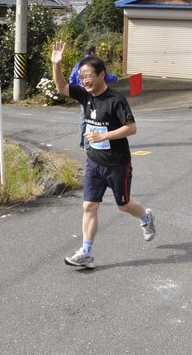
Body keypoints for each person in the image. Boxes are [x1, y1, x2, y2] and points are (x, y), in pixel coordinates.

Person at [51, 41, 156, 269]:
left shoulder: (116, 100)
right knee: (89, 206)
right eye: (81, 77)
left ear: (101, 75)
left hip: (117, 164)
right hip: (94, 162)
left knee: (124, 205)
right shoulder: (85, 95)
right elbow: (61, 87)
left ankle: (146, 218)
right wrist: (56, 65)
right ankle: (86, 252)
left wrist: (104, 136)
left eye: (88, 75)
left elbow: (131, 128)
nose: (84, 81)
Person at [69, 45, 118, 149]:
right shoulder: (95, 64)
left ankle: (83, 143)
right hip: (94, 93)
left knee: (84, 118)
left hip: (82, 94)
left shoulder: (79, 64)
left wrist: (79, 89)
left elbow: (71, 79)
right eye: (95, 52)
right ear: (92, 53)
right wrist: (116, 78)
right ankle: (89, 144)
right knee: (94, 119)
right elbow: (106, 77)